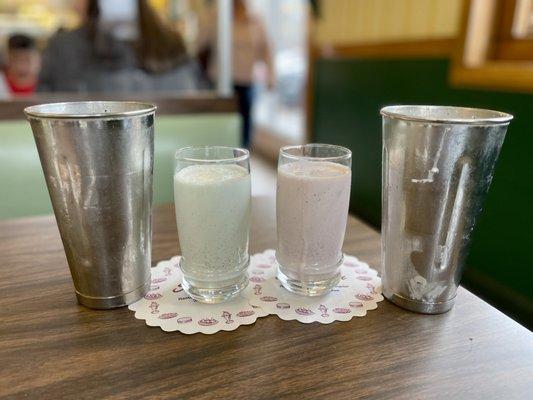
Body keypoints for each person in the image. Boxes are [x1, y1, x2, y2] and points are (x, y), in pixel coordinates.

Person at [38, 0, 205, 93]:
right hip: (173, 144)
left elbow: (44, 109)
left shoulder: (64, 47)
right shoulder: (173, 43)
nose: (73, 5)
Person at [199, 0, 274, 148]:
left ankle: (241, 161)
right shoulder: (216, 16)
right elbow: (200, 43)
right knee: (220, 125)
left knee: (244, 127)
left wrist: (271, 77)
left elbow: (266, 49)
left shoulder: (256, 19)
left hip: (246, 81)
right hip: (219, 82)